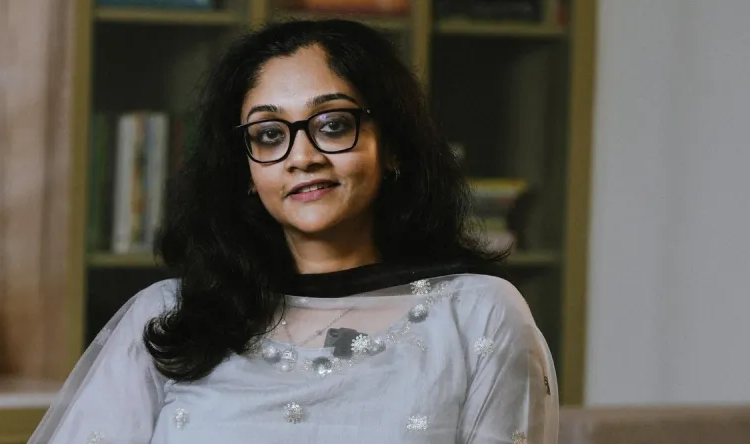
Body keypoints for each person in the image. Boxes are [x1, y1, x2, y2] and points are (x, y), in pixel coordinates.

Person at [29, 19, 557, 444]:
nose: (301, 157)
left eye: (333, 125)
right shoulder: (173, 317)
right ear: (246, 170)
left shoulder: (476, 313)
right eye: (268, 134)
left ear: (393, 146)